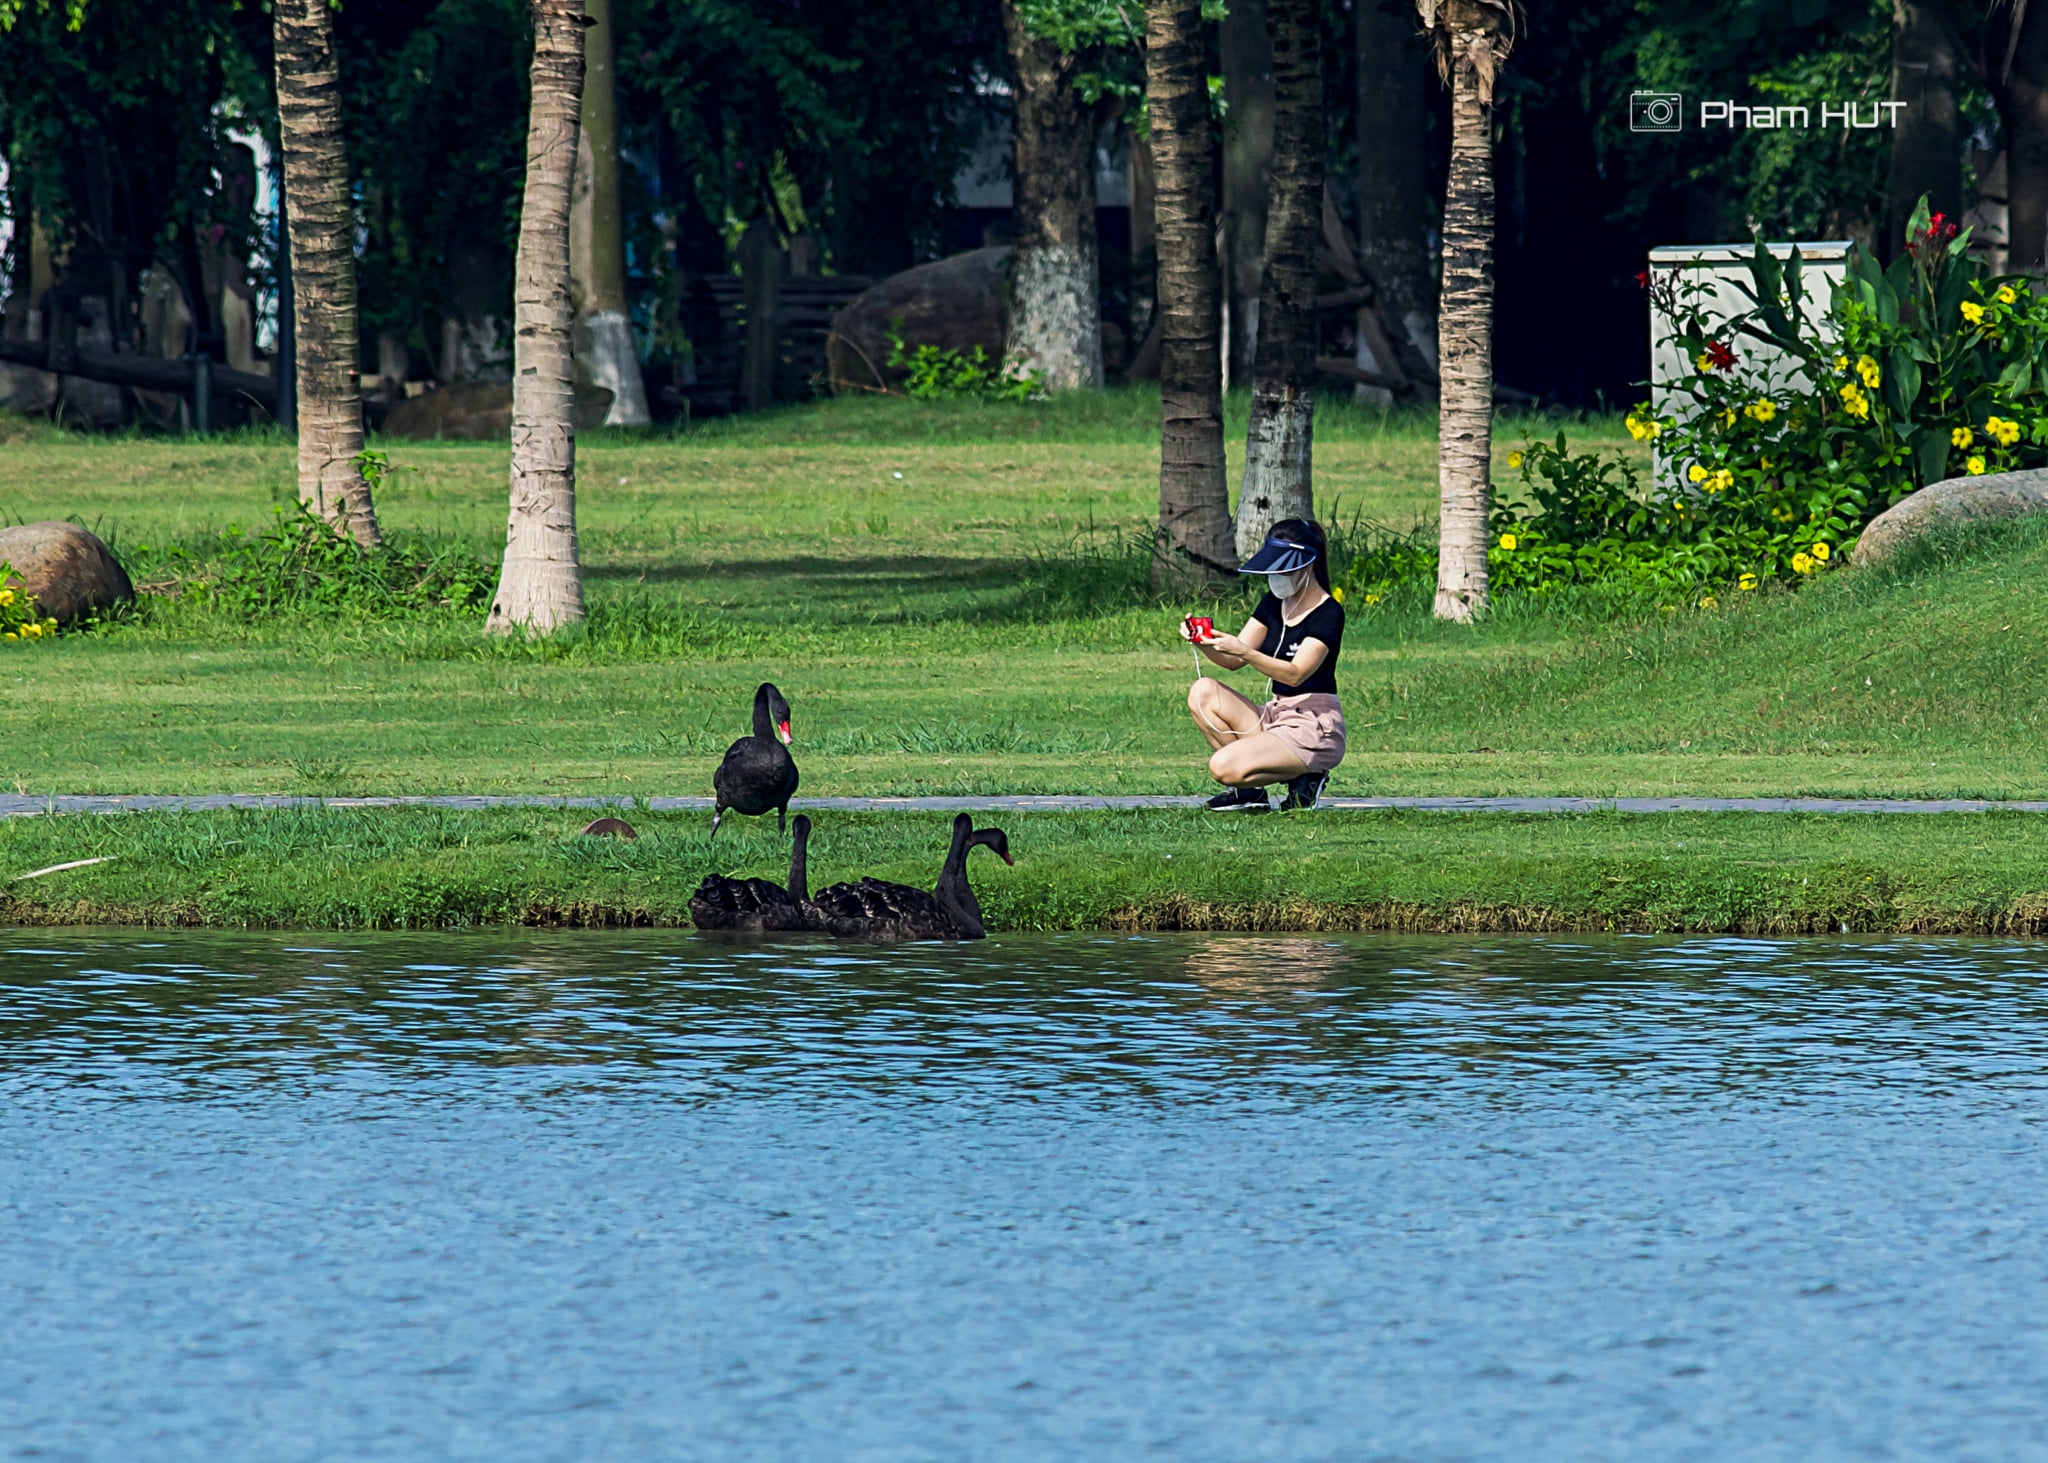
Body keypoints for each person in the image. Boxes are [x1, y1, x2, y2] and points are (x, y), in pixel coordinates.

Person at [1180, 518, 1346, 811]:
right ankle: (1250, 793)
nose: (1277, 576)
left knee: (1222, 767)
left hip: (1312, 724)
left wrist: (1245, 652)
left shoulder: (1328, 613)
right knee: (1202, 691)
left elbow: (1295, 674)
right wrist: (1201, 641)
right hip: (1276, 714)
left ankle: (1309, 773)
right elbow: (1231, 660)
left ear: (1307, 565)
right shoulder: (1273, 602)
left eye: (1285, 569)